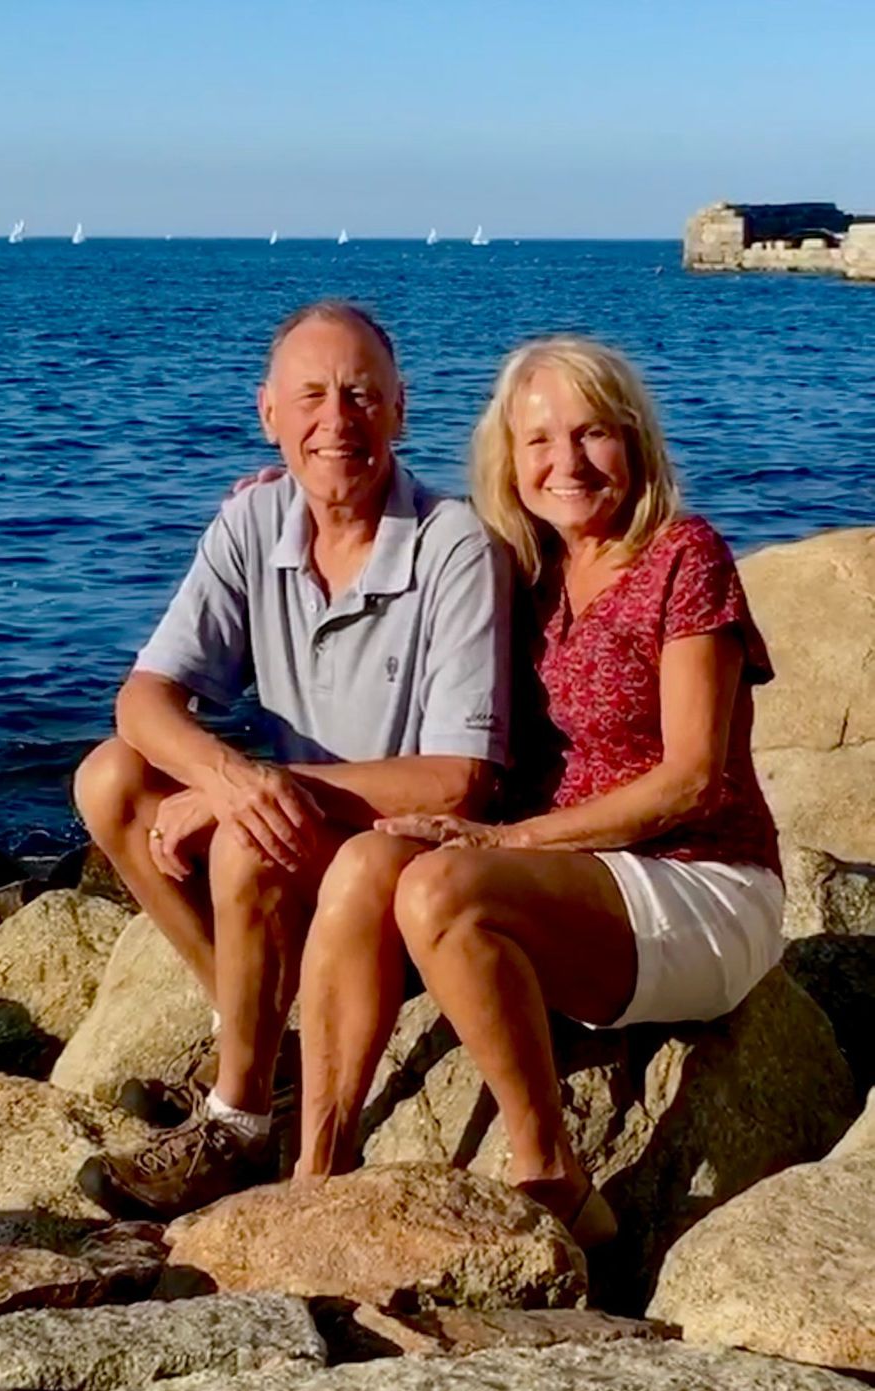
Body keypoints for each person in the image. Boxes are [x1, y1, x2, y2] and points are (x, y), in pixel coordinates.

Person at [294, 334, 784, 1247]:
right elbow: (395, 539)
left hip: (699, 880)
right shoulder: (524, 569)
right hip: (567, 882)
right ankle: (317, 1162)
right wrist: (294, 500)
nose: (566, 463)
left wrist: (507, 843)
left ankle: (550, 1173)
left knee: (438, 883)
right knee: (365, 863)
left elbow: (690, 777)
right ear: (507, 462)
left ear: (634, 442)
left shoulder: (685, 556)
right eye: (539, 442)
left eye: (592, 434)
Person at [74, 300, 512, 1217]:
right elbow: (142, 699)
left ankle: (234, 1122)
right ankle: (267, 1049)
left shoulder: (453, 545)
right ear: (269, 414)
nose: (336, 419)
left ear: (401, 408)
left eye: (360, 394)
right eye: (310, 395)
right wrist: (227, 775)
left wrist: (259, 794)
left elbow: (459, 777)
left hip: (398, 849)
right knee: (109, 776)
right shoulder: (253, 521)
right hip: (301, 831)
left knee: (248, 839)